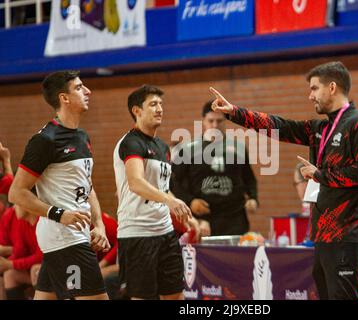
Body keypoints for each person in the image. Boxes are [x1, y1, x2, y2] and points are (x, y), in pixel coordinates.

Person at [210, 61, 358, 300]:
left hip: (348, 234)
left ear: (332, 87)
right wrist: (235, 113)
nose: (310, 95)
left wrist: (321, 175)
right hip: (323, 235)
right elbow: (281, 126)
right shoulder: (321, 128)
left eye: (314, 88)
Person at [8, 70, 110, 300]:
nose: (88, 91)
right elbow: (16, 193)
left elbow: (88, 185)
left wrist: (99, 224)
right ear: (64, 98)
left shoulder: (82, 137)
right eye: (79, 87)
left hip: (73, 237)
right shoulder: (45, 140)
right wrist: (58, 214)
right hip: (64, 238)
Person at [113, 85, 192, 300]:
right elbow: (136, 183)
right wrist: (169, 200)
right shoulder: (131, 142)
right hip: (138, 234)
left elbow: (162, 189)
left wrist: (185, 215)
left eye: (161, 104)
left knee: (176, 295)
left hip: (165, 232)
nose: (159, 109)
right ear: (136, 111)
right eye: (153, 104)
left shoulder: (162, 146)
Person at [171, 100, 258, 236]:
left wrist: (253, 198)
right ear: (203, 121)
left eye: (219, 121)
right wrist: (190, 201)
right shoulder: (188, 149)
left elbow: (249, 178)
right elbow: (173, 182)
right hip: (203, 220)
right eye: (211, 121)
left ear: (226, 121)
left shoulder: (238, 148)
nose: (215, 125)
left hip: (234, 219)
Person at [0, 205, 43, 300]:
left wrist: (11, 264)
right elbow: (20, 250)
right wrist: (4, 264)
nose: (14, 208)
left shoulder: (42, 220)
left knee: (36, 270)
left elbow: (41, 257)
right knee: (10, 275)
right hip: (32, 267)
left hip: (51, 267)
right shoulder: (23, 222)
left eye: (17, 204)